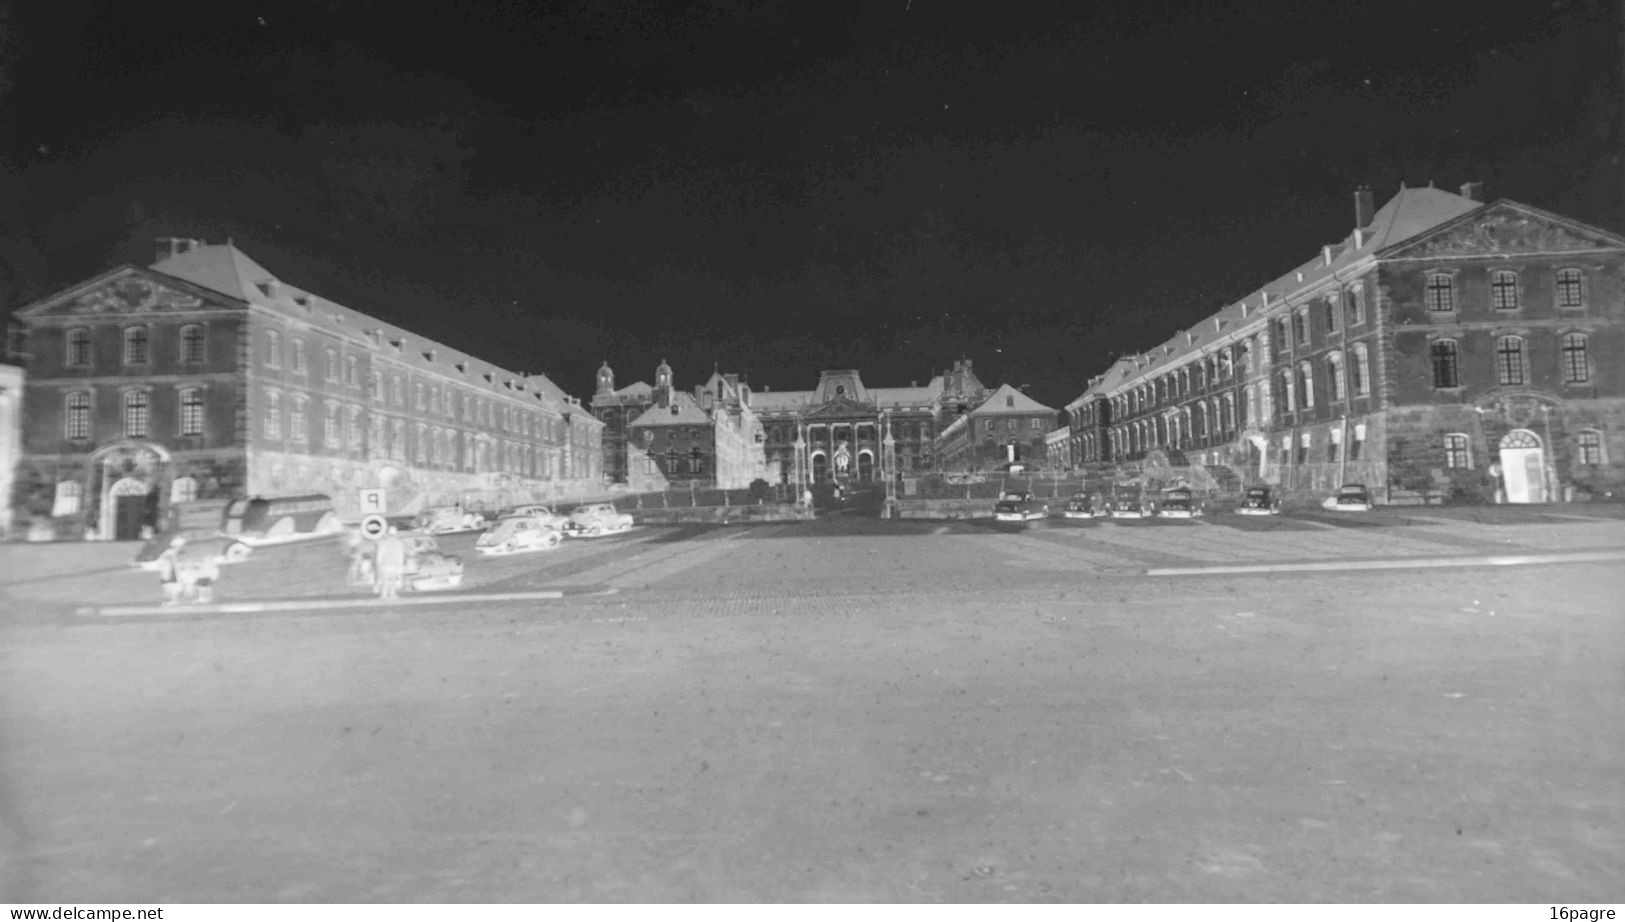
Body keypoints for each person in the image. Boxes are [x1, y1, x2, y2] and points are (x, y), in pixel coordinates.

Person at [373, 527, 407, 600]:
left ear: (388, 533)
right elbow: (401, 554)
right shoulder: (399, 542)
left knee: (384, 581)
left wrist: (378, 563)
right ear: (396, 533)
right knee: (393, 581)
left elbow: (380, 554)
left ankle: (383, 595)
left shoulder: (383, 542)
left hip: (385, 564)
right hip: (395, 564)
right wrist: (401, 565)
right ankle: (392, 594)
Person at [156, 537, 184, 606]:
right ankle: (172, 601)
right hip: (169, 572)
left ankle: (173, 601)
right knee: (171, 587)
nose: (182, 547)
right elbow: (171, 560)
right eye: (181, 545)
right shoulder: (170, 552)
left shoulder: (174, 552)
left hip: (170, 572)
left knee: (174, 587)